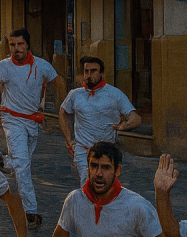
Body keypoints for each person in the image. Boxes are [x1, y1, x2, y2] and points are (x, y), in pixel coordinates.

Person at [0, 28, 58, 230]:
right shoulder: (2, 67)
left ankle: (6, 161)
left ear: (27, 45)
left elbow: (59, 82)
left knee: (22, 162)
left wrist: (56, 110)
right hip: (11, 120)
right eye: (12, 45)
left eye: (20, 44)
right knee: (23, 166)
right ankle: (31, 211)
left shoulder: (42, 66)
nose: (16, 48)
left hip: (33, 122)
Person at [59, 57, 141, 185]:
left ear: (102, 73)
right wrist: (69, 141)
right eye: (86, 71)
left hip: (107, 152)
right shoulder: (75, 94)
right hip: (83, 151)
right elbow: (62, 113)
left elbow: (136, 118)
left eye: (93, 71)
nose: (89, 75)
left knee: (105, 188)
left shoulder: (114, 94)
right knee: (87, 185)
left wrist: (124, 126)